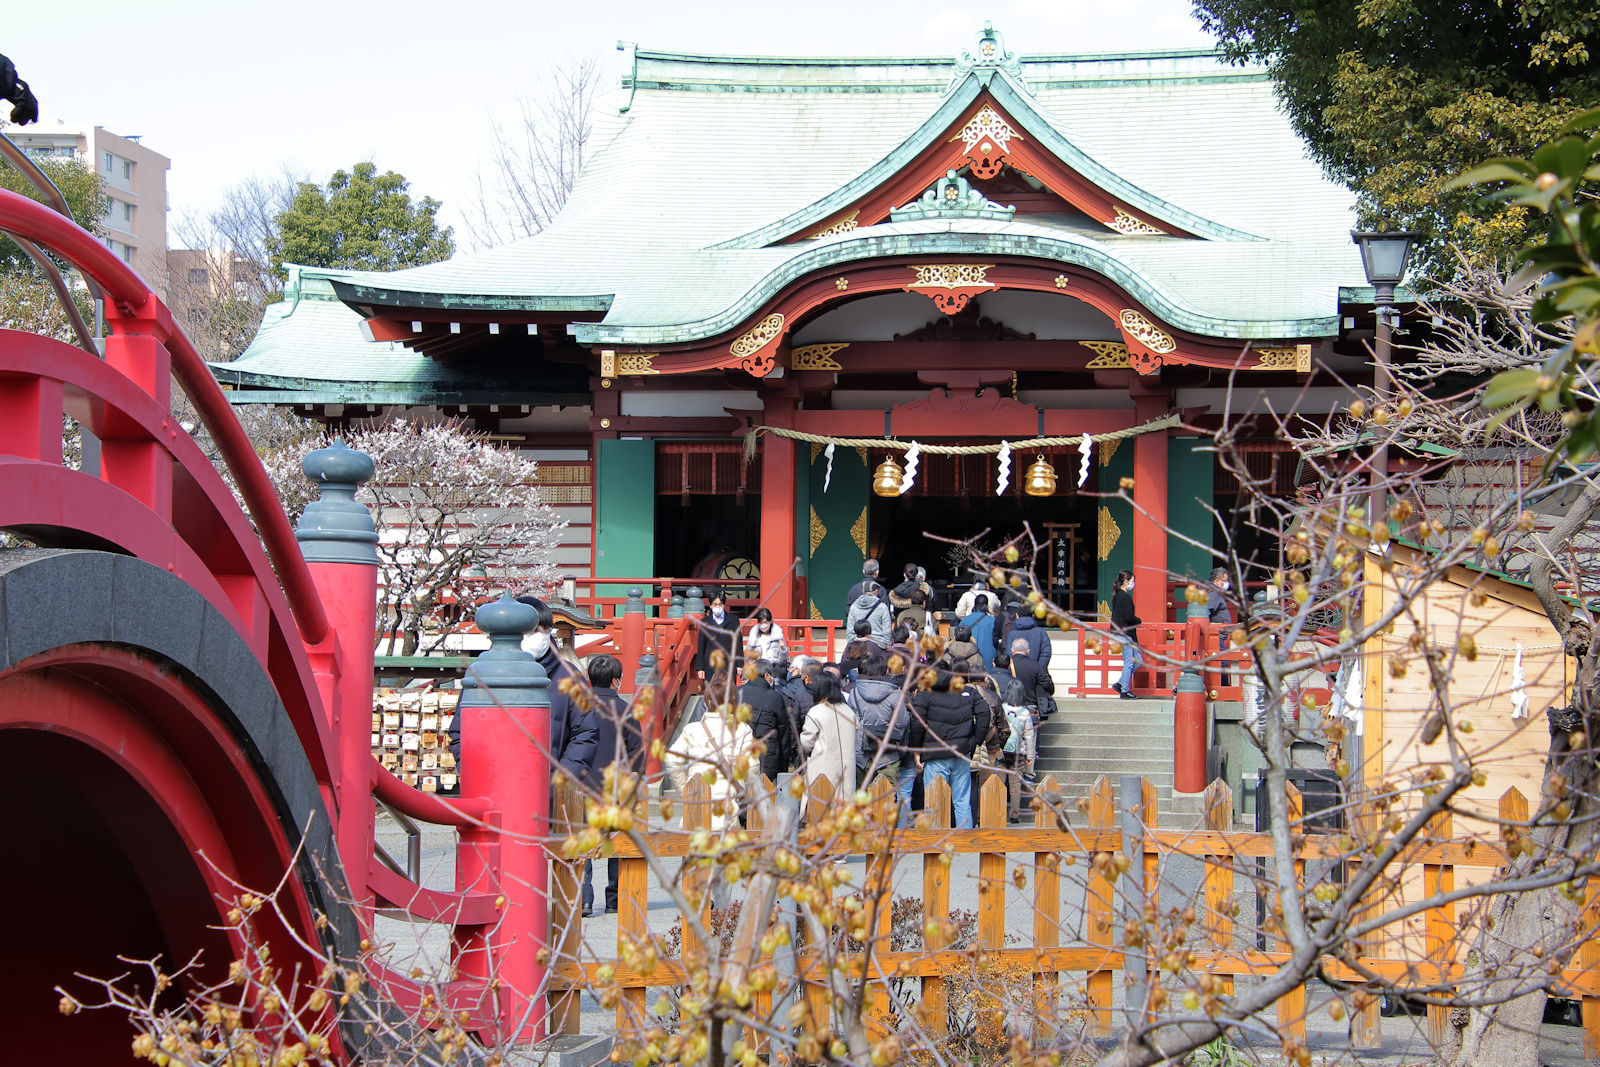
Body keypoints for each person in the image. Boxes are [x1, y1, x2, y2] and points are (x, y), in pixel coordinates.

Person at [577, 655, 644, 915]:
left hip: (583, 782)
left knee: (584, 841)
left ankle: (584, 897)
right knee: (618, 841)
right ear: (616, 681)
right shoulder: (626, 710)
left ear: (589, 677)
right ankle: (614, 898)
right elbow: (637, 754)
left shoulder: (579, 706)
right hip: (615, 787)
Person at [516, 596, 599, 781]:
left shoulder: (570, 677)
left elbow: (586, 732)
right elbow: (462, 734)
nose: (539, 636)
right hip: (497, 786)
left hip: (550, 786)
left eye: (545, 629)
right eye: (532, 630)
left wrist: (563, 779)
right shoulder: (484, 673)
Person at [665, 671, 753, 831]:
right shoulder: (742, 729)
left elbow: (671, 759)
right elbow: (752, 767)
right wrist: (742, 790)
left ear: (707, 701)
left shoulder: (692, 729)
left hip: (696, 808)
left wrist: (686, 791)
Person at [906, 666, 989, 830]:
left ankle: (935, 838)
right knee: (962, 800)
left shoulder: (925, 694)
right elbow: (984, 712)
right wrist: (975, 740)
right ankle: (965, 838)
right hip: (961, 751)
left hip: (935, 753)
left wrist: (916, 749)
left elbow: (917, 724)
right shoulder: (968, 692)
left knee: (934, 800)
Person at [848, 655, 913, 819]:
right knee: (887, 802)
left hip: (860, 755)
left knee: (860, 801)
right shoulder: (896, 695)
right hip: (888, 755)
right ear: (886, 671)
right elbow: (902, 723)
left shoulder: (854, 693)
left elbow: (851, 722)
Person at [800, 673, 857, 792]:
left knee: (821, 799)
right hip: (847, 771)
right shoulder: (849, 712)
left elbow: (806, 743)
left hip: (822, 768)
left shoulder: (816, 712)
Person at [737, 659, 792, 781]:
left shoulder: (737, 693)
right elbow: (783, 734)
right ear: (767, 676)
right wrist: (784, 766)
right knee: (765, 788)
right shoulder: (775, 698)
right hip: (767, 755)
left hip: (740, 751)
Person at [1000, 680, 1036, 822]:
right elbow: (1029, 737)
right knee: (1015, 786)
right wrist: (1030, 756)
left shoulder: (1001, 708)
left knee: (999, 783)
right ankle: (1014, 815)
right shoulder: (1025, 713)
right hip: (1018, 753)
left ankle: (999, 812)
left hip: (1002, 752)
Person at [1110, 569, 1142, 700]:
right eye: (1132, 581)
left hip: (1123, 633)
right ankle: (1124, 690)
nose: (1133, 584)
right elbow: (1128, 617)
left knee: (1138, 661)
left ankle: (1120, 683)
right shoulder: (1124, 596)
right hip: (1124, 633)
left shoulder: (1118, 595)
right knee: (1129, 661)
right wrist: (1138, 620)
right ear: (1126, 581)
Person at [696, 592, 743, 678]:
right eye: (715, 604)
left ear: (724, 605)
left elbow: (738, 644)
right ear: (710, 605)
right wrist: (700, 668)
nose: (718, 607)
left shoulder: (733, 620)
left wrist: (740, 664)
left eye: (720, 604)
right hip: (711, 664)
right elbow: (701, 646)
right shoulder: (705, 622)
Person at [1009, 637, 1055, 718]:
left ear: (1012, 650)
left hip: (1010, 708)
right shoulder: (1036, 666)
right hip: (1030, 708)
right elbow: (1049, 686)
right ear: (1028, 651)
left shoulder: (1006, 665)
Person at [847, 581, 893, 647]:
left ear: (863, 591)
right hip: (878, 644)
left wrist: (852, 643)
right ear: (876, 591)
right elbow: (887, 630)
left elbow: (850, 630)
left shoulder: (854, 606)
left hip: (858, 645)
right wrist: (888, 644)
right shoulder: (882, 607)